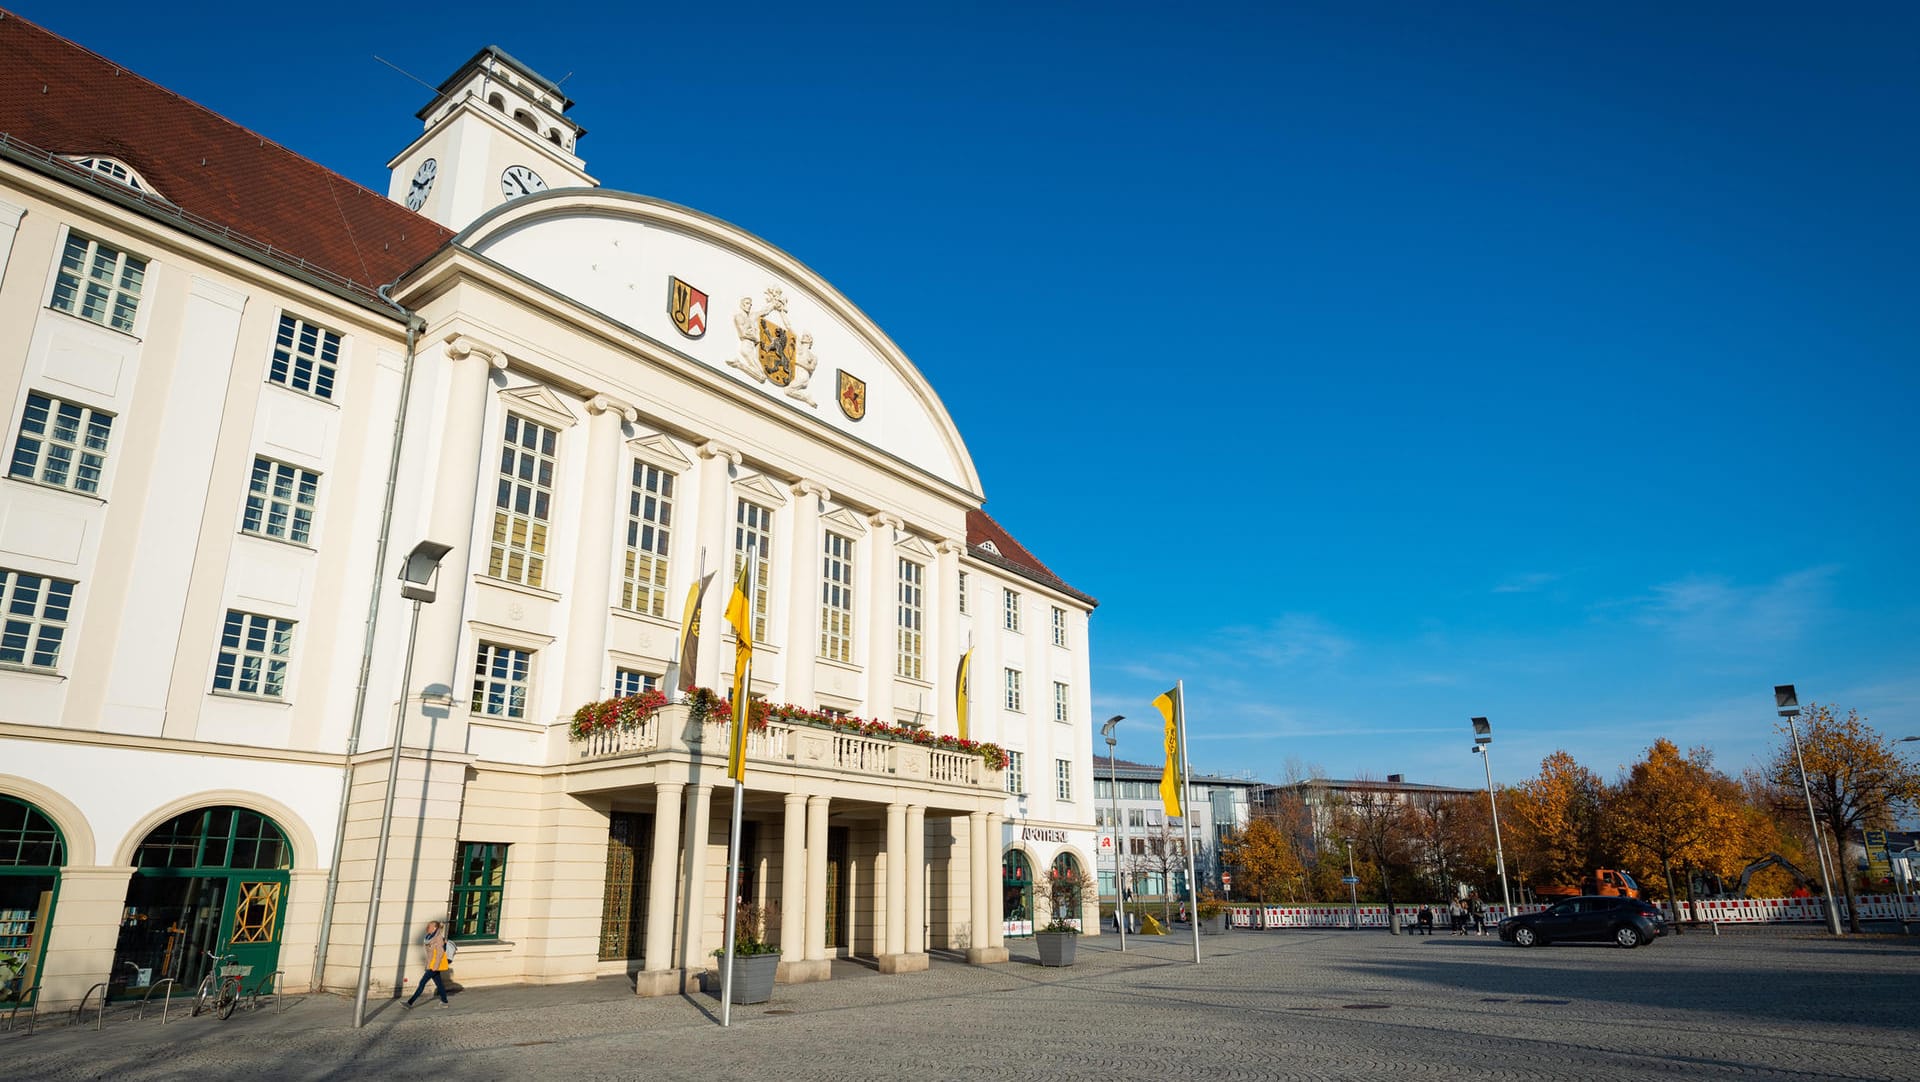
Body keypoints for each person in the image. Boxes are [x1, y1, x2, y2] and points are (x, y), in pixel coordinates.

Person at [402, 919, 453, 1009]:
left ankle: (410, 1003)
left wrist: (435, 966)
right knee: (439, 984)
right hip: (431, 964)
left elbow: (440, 953)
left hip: (434, 966)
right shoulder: (429, 937)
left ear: (434, 928)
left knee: (422, 982)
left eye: (429, 926)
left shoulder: (438, 938)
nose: (427, 928)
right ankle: (445, 1002)